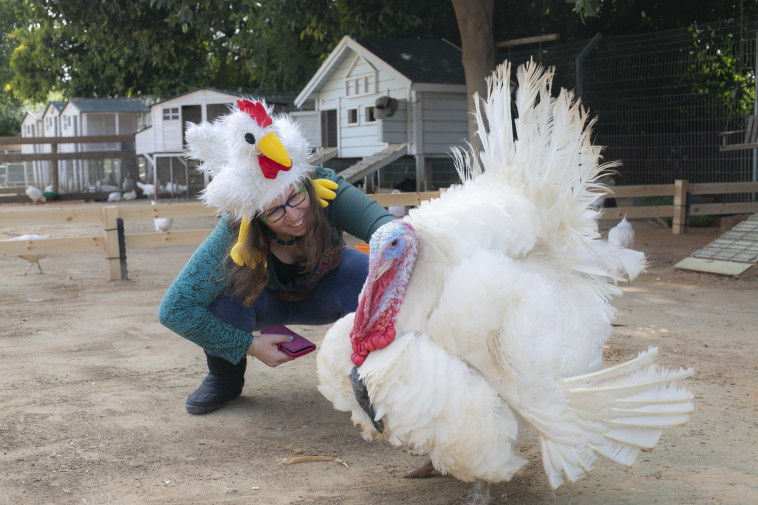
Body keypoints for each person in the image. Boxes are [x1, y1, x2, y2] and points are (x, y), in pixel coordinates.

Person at [158, 99, 394, 414]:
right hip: (260, 301)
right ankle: (225, 378)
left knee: (371, 273)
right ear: (256, 216)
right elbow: (174, 309)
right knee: (220, 298)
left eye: (297, 197)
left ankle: (378, 374)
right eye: (275, 211)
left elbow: (388, 230)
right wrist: (250, 346)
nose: (294, 216)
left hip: (329, 287)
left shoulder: (325, 185)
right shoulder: (235, 229)